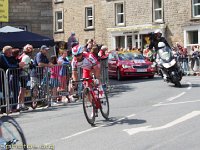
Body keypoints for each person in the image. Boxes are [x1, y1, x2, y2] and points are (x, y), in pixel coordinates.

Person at [17, 44, 33, 111]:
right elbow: (23, 66)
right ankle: (21, 104)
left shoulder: (22, 55)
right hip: (24, 74)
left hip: (22, 74)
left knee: (22, 90)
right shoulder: (26, 57)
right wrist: (29, 65)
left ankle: (20, 104)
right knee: (22, 90)